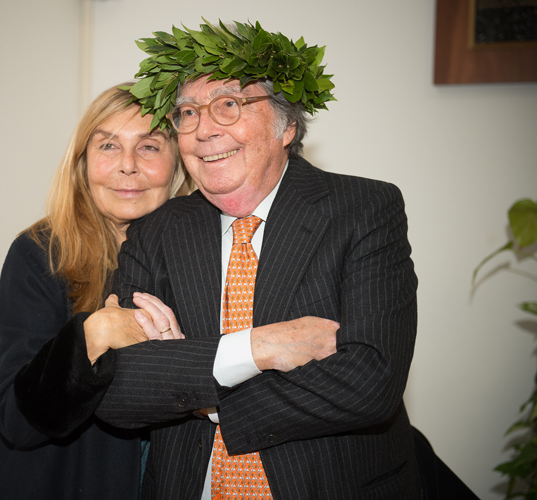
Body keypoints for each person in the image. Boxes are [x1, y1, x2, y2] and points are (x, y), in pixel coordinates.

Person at [84, 21, 422, 499]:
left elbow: (369, 383)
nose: (204, 130)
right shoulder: (157, 229)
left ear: (286, 125)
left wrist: (196, 385)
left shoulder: (364, 209)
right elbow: (115, 392)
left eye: (228, 105)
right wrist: (255, 350)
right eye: (187, 113)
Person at [0, 84, 190, 500]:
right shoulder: (41, 254)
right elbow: (17, 421)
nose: (127, 166)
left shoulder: (201, 256)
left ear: (178, 164)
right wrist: (93, 336)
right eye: (109, 146)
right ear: (83, 163)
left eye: (149, 147)